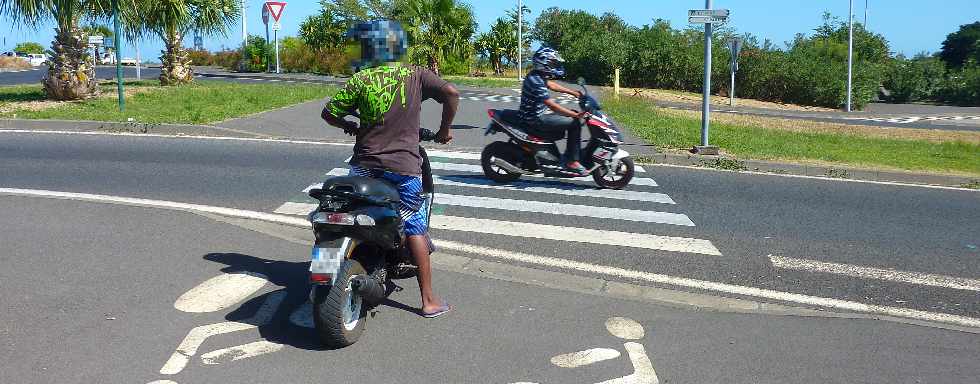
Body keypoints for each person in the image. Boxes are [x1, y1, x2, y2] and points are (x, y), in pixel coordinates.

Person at [320, 20, 460, 318]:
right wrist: (444, 130)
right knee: (414, 226)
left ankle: (326, 272)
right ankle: (429, 300)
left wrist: (349, 126)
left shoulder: (362, 79)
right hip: (403, 168)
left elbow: (329, 113)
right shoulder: (416, 74)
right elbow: (451, 92)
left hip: (363, 168)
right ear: (399, 46)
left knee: (342, 214)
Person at [518, 47, 587, 176]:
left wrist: (573, 92)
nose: (555, 65)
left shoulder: (538, 75)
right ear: (544, 63)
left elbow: (551, 85)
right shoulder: (536, 80)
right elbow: (552, 105)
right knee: (574, 123)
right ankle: (572, 161)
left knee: (571, 115)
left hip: (537, 115)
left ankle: (562, 156)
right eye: (552, 63)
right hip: (535, 119)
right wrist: (576, 115)